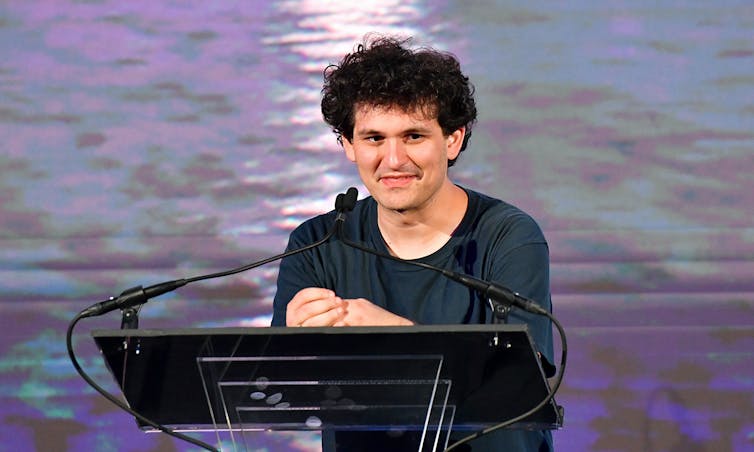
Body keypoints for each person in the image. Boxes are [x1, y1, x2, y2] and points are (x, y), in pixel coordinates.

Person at [272, 35, 554, 452]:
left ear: (452, 140)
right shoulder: (315, 243)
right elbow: (279, 395)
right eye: (374, 139)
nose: (393, 160)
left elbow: (521, 389)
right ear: (348, 145)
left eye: (414, 136)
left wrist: (395, 337)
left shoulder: (509, 237)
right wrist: (292, 352)